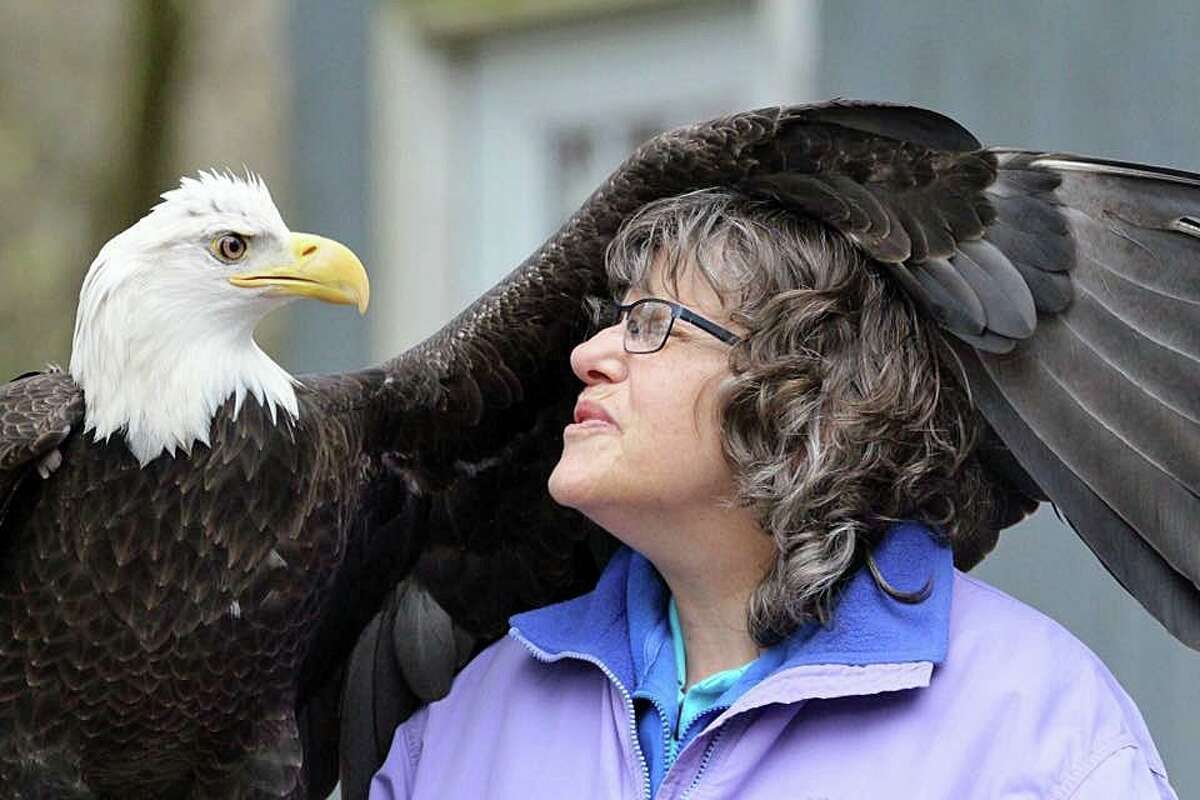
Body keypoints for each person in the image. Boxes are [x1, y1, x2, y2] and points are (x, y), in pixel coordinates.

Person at [370, 189, 1177, 798]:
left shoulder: (1036, 727)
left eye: (652, 323)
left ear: (804, 389)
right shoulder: (465, 727)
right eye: (612, 320)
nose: (590, 354)